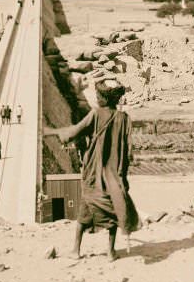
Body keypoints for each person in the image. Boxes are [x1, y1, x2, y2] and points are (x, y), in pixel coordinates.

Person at [59, 77, 140, 260]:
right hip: (114, 175)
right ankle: (111, 252)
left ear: (105, 98)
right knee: (111, 211)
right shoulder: (124, 119)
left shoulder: (96, 114)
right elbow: (128, 150)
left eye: (98, 95)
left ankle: (75, 250)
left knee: (84, 211)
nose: (96, 97)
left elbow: (76, 131)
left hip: (95, 173)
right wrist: (123, 176)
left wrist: (60, 135)